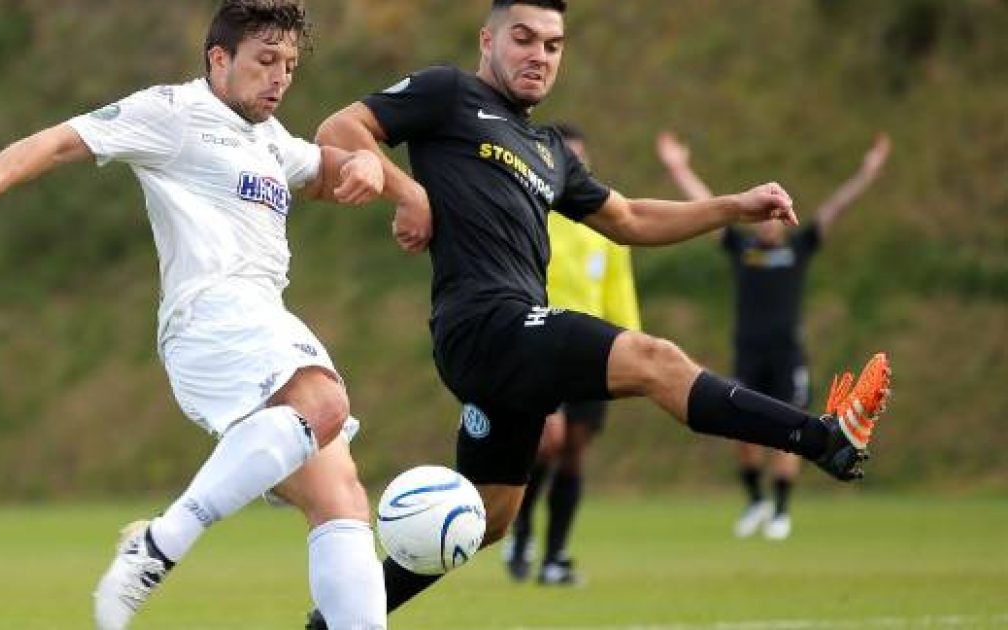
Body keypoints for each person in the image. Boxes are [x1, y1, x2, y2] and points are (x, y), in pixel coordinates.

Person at [306, 0, 892, 625]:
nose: (538, 54)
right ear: (488, 39)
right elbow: (339, 129)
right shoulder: (446, 93)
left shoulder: (549, 148)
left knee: (491, 516)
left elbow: (629, 218)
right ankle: (824, 440)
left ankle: (335, 619)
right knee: (654, 358)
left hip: (508, 340)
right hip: (482, 324)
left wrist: (732, 207)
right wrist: (410, 193)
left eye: (552, 45)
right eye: (523, 38)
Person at [0, 2, 390, 629]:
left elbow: (323, 171)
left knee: (341, 499)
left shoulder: (267, 137)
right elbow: (58, 142)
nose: (279, 78)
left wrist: (367, 164)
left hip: (257, 324)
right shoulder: (172, 112)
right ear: (220, 59)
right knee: (325, 404)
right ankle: (160, 544)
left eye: (291, 66)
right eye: (265, 61)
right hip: (212, 317)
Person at [657, 130, 892, 540]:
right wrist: (680, 169)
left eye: (775, 214)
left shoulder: (799, 247)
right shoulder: (740, 247)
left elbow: (836, 207)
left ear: (785, 217)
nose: (768, 221)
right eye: (763, 214)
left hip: (787, 354)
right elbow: (706, 204)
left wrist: (867, 174)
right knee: (743, 431)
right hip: (748, 352)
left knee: (794, 427)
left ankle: (781, 511)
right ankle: (755, 501)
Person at [503, 123, 642, 586]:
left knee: (575, 452)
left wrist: (632, 346)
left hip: (593, 347)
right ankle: (520, 530)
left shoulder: (602, 223)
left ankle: (555, 557)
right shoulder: (531, 214)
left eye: (581, 161)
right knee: (549, 440)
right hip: (540, 342)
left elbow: (618, 291)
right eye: (568, 160)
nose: (575, 168)